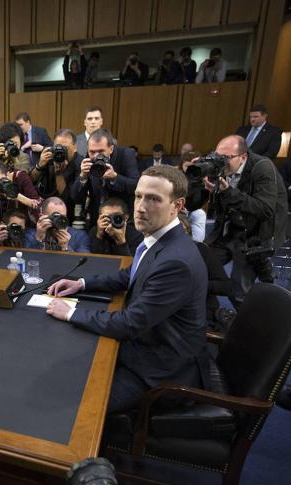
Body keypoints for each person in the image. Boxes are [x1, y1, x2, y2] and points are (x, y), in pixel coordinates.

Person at [46, 165, 209, 412]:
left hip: (157, 370)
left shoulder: (176, 261)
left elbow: (130, 323)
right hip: (148, 345)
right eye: (139, 196)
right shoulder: (162, 239)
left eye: (154, 199)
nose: (141, 207)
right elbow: (130, 275)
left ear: (177, 206)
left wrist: (70, 313)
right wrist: (82, 283)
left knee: (72, 406)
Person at [204, 135, 278, 304]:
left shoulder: (262, 167)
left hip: (250, 237)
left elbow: (265, 209)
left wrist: (227, 191)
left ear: (243, 157)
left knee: (241, 290)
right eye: (217, 156)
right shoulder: (221, 167)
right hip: (224, 232)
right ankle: (214, 314)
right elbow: (200, 204)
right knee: (199, 270)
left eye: (226, 158)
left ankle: (243, 327)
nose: (220, 162)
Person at [70, 128, 140, 227]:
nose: (96, 156)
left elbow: (136, 186)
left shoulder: (125, 154)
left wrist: (115, 177)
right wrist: (82, 176)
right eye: (92, 152)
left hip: (123, 220)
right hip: (96, 220)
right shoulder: (87, 159)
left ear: (111, 149)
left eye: (101, 151)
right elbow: (75, 197)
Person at [0, 160, 41, 225]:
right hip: (2, 227)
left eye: (0, 180)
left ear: (8, 174)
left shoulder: (20, 177)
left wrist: (15, 195)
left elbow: (38, 205)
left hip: (24, 225)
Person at [25, 197, 91, 253]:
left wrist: (65, 248)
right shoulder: (30, 235)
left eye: (62, 217)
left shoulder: (79, 236)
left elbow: (84, 265)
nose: (59, 220)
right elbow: (25, 259)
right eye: (55, 217)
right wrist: (38, 239)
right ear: (42, 217)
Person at [33, 129, 80, 202]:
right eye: (57, 147)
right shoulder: (50, 158)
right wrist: (39, 165)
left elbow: (68, 199)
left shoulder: (80, 164)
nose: (60, 151)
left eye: (65, 148)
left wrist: (59, 173)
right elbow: (31, 182)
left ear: (75, 147)